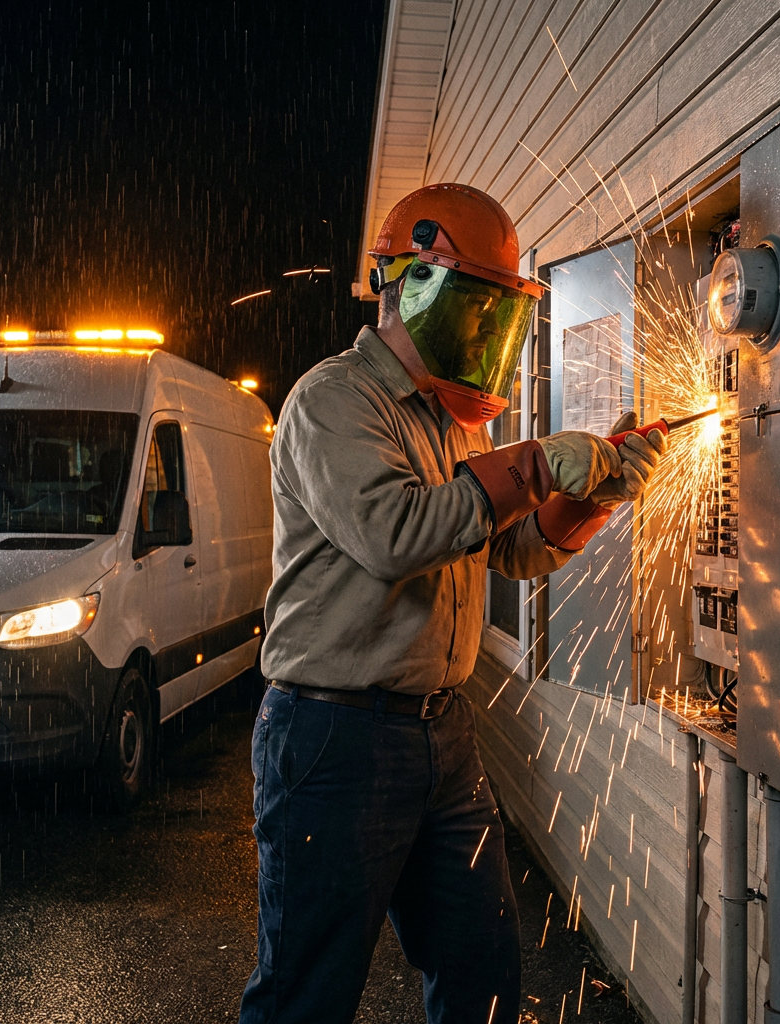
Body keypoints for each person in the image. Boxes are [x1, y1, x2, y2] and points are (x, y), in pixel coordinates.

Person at [238, 183, 667, 1024]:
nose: (485, 332)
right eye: (480, 305)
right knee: (307, 995)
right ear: (419, 281)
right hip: (334, 737)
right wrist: (540, 463)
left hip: (442, 730)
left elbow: (510, 547)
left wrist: (596, 490)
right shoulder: (333, 402)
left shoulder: (452, 421)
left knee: (484, 972)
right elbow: (396, 535)